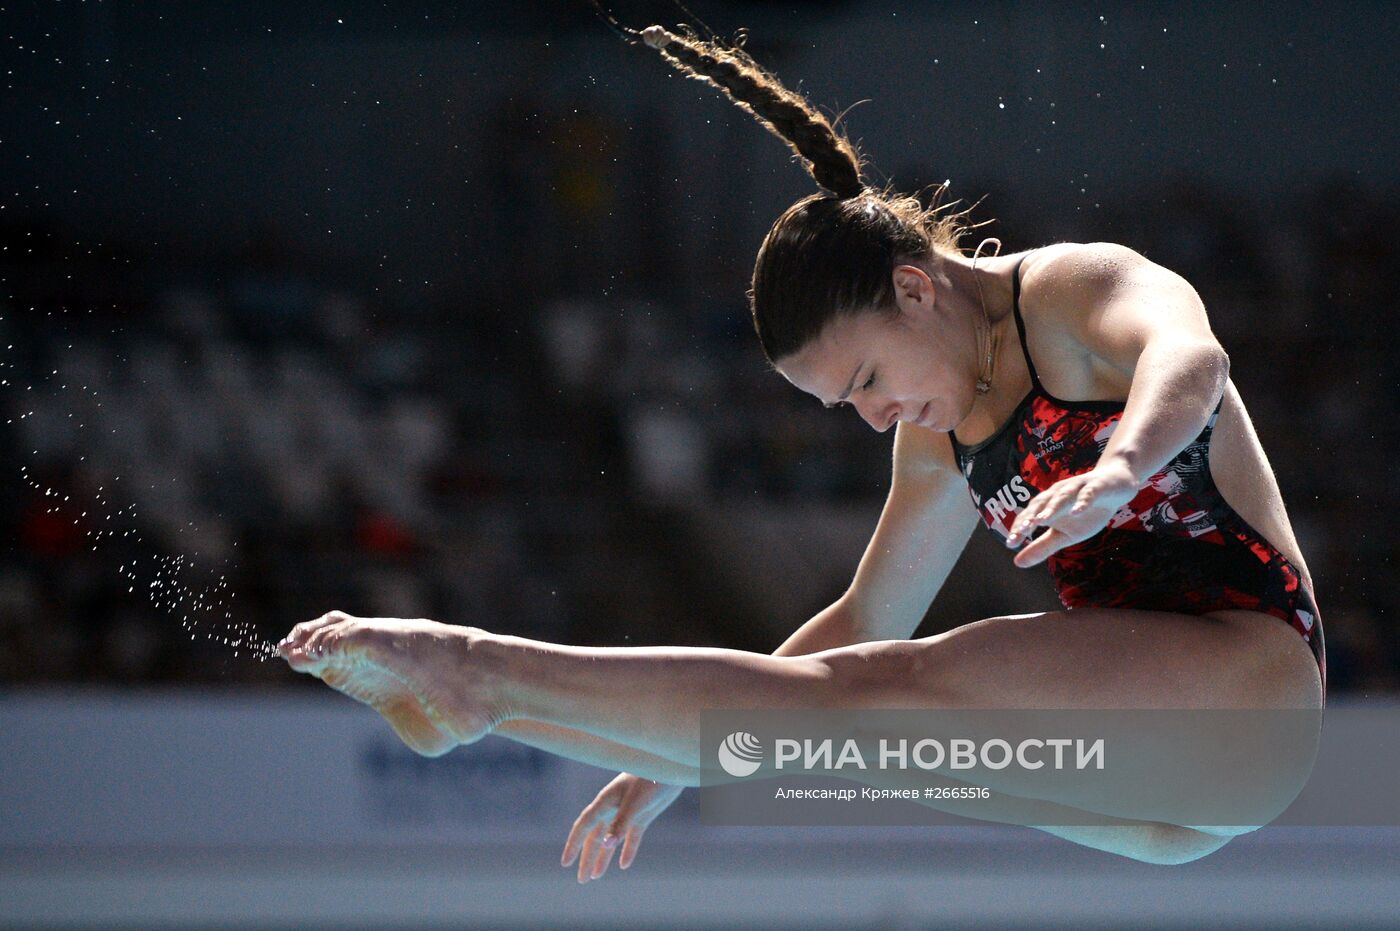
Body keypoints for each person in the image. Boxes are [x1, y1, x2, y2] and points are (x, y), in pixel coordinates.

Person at [277, 24, 1325, 876]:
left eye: (866, 378)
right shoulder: (936, 431)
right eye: (845, 404)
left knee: (878, 696)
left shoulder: (1076, 292)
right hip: (1165, 803)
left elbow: (1192, 363)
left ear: (915, 287)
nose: (873, 418)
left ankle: (474, 670)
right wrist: (679, 760)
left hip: (1245, 686)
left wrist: (1119, 468)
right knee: (843, 738)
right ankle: (495, 701)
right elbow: (865, 616)